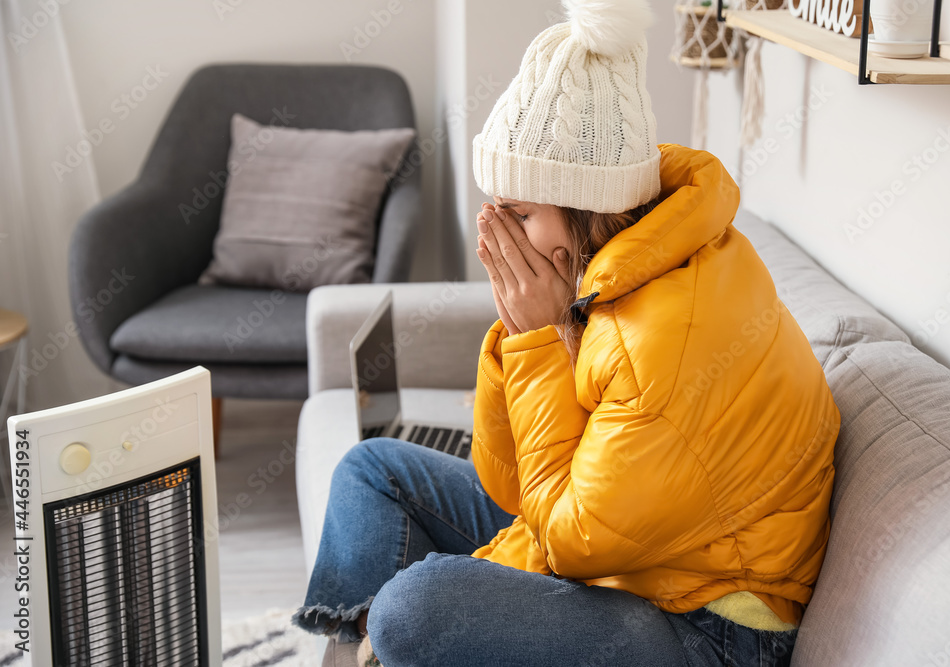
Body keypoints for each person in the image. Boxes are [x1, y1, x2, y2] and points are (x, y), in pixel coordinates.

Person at [292, 0, 841, 664]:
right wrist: (530, 328)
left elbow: (572, 542)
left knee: (415, 606)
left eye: (518, 214)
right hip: (627, 554)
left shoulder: (661, 341)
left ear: (587, 206)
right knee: (371, 469)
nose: (494, 234)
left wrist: (534, 340)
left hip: (707, 625)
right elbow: (510, 484)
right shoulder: (618, 266)